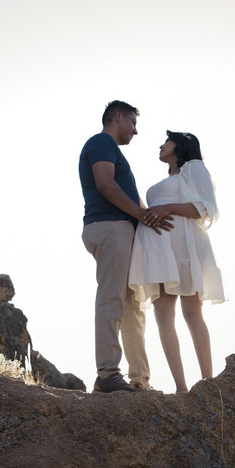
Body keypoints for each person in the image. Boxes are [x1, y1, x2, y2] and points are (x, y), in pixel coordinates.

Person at [79, 100, 166, 393]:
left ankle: (139, 379)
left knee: (132, 306)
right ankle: (107, 374)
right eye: (132, 123)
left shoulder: (110, 148)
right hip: (110, 228)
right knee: (111, 298)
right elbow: (105, 184)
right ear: (118, 116)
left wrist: (149, 217)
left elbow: (128, 193)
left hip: (122, 230)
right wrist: (141, 214)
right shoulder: (102, 142)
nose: (136, 131)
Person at [128, 131, 224, 394]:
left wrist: (167, 208)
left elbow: (206, 209)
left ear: (180, 146)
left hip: (184, 246)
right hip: (158, 249)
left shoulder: (194, 168)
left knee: (192, 313)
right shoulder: (169, 179)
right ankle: (181, 388)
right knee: (163, 317)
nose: (161, 145)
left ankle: (207, 382)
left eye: (167, 141)